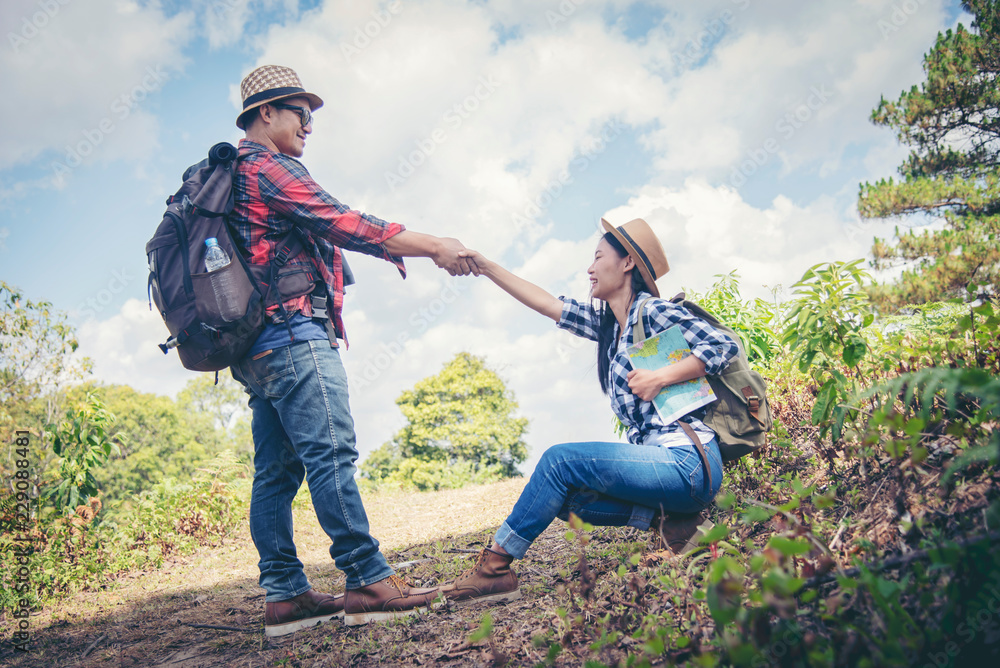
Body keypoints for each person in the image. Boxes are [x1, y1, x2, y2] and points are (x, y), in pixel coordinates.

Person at [227, 64, 476, 635]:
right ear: (265, 113)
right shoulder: (268, 168)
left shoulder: (234, 175)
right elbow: (347, 223)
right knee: (330, 454)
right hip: (293, 337)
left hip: (255, 349)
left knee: (275, 474)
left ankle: (285, 594)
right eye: (300, 113)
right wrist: (433, 244)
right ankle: (366, 577)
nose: (309, 126)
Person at [441, 218, 739, 605]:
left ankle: (495, 567)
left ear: (627, 262)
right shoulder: (613, 328)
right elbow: (549, 303)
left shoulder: (651, 311)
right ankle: (677, 525)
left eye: (598, 257)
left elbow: (721, 345)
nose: (590, 268)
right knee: (568, 498)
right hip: (666, 464)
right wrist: (485, 265)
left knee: (559, 462)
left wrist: (661, 377)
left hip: (687, 461)